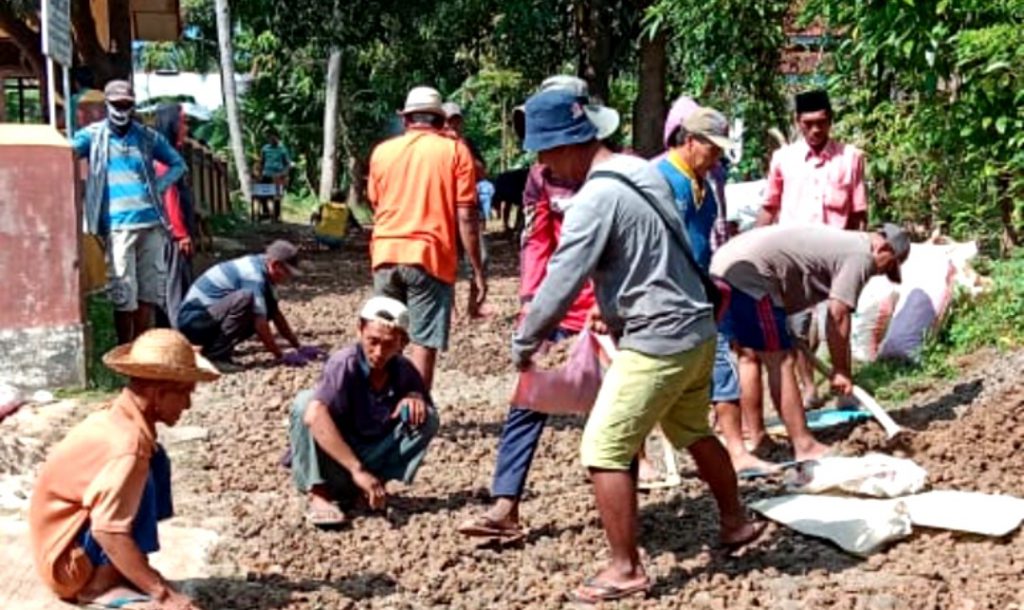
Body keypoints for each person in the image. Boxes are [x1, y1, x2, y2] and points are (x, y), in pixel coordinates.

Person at [511, 89, 761, 604]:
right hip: (696, 330)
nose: (542, 165)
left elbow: (561, 280)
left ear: (570, 143)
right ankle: (735, 522)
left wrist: (525, 340)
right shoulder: (640, 170)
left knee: (603, 447)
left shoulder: (593, 200)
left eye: (545, 153)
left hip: (659, 339)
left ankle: (625, 567)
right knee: (691, 427)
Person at [457, 77, 604, 541]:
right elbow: (537, 240)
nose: (542, 156)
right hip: (557, 306)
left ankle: (630, 496)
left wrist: (606, 303)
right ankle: (506, 505)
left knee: (618, 408)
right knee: (528, 399)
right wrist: (530, 303)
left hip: (609, 310)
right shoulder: (540, 179)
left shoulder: (614, 174)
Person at [29, 329, 219, 609]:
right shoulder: (127, 445)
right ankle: (99, 584)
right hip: (67, 564)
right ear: (158, 394)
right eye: (184, 394)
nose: (188, 405)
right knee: (138, 473)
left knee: (155, 461)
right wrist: (163, 595)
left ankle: (126, 567)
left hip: (65, 546)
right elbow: (108, 531)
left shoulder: (119, 418)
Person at [710, 224, 910, 462]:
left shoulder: (845, 243)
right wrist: (841, 370)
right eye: (887, 266)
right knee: (782, 361)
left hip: (725, 264)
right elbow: (837, 314)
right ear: (884, 247)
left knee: (749, 356)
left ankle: (760, 440)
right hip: (753, 274)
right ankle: (804, 445)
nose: (879, 273)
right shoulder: (862, 255)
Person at [656, 104, 776, 476]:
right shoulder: (658, 179)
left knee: (722, 368)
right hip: (662, 296)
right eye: (713, 148)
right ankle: (640, 461)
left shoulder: (704, 186)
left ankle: (736, 451)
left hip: (701, 293)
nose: (718, 158)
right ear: (691, 141)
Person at [749, 88, 870, 437]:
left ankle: (843, 382)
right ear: (798, 124)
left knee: (837, 314)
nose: (816, 131)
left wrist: (859, 250)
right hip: (794, 256)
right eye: (808, 125)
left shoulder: (850, 158)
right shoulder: (783, 160)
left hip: (838, 252)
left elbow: (859, 212)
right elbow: (770, 205)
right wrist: (752, 244)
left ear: (831, 121)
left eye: (822, 123)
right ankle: (808, 388)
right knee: (798, 326)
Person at [368, 86, 486, 391]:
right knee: (423, 340)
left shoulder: (381, 153)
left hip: (385, 254)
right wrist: (476, 269)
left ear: (407, 120)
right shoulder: (456, 150)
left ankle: (380, 406)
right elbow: (466, 217)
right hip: (430, 257)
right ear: (440, 120)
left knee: (385, 334)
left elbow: (377, 204)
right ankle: (414, 412)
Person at [287, 297, 440, 527]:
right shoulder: (344, 363)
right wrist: (356, 470)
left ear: (402, 343)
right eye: (373, 341)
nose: (379, 352)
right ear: (359, 330)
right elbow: (314, 415)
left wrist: (414, 396)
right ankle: (319, 494)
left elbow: (419, 398)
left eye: (388, 344)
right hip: (333, 460)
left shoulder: (403, 369)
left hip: (368, 458)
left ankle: (371, 489)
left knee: (425, 417)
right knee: (305, 403)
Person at [72, 80, 187, 345]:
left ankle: (141, 350)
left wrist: (157, 187)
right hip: (117, 225)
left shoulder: (147, 137)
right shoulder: (92, 136)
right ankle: (124, 350)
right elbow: (65, 154)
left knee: (149, 291)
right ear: (107, 105)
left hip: (152, 223)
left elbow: (178, 164)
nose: (122, 109)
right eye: (117, 104)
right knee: (123, 290)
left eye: (127, 104)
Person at [176, 240, 323, 370]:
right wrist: (280, 355)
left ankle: (213, 349)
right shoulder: (253, 275)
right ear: (275, 265)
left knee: (265, 305)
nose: (287, 278)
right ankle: (217, 356)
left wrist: (298, 346)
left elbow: (275, 313)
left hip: (209, 318)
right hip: (194, 321)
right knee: (245, 299)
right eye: (286, 272)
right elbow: (260, 323)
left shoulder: (264, 270)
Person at [259, 131, 293, 221]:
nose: (272, 139)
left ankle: (276, 215)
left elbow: (288, 164)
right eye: (270, 138)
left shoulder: (282, 149)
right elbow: (261, 162)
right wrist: (259, 172)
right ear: (268, 139)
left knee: (277, 195)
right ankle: (265, 212)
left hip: (278, 175)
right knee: (261, 192)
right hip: (266, 174)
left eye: (275, 138)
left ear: (278, 138)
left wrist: (284, 173)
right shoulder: (265, 149)